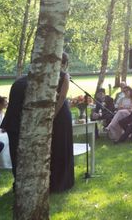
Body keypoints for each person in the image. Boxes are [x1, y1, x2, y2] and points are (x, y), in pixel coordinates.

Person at [50, 52, 75, 193]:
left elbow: (62, 97)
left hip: (61, 113)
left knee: (62, 144)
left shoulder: (64, 76)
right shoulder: (48, 74)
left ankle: (63, 181)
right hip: (50, 112)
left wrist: (54, 115)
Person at [0, 72, 29, 180]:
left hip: (12, 122)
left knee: (15, 153)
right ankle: (19, 179)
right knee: (18, 154)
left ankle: (18, 179)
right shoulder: (28, 84)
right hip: (17, 122)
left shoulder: (20, 81)